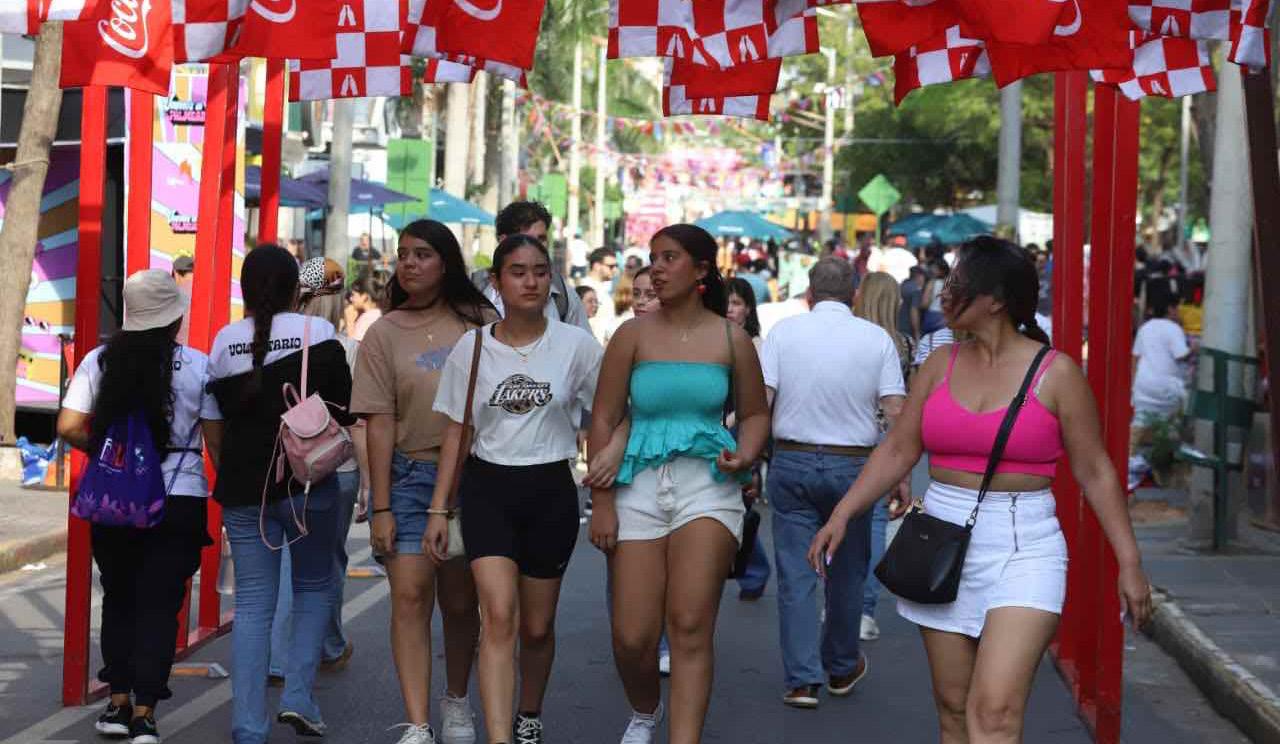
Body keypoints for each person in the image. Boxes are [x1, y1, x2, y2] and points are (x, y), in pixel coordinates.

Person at [809, 237, 1153, 742]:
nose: (943, 294)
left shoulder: (1056, 373)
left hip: (1025, 544)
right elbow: (899, 449)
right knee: (953, 709)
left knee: (994, 714)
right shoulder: (939, 363)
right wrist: (843, 513)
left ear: (995, 299)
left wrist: (1130, 562)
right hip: (939, 538)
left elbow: (1095, 471)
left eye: (956, 284)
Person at [587, 224, 770, 743]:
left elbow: (756, 414)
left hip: (707, 486)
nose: (657, 268)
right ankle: (645, 710)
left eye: (669, 258)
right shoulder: (632, 335)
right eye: (654, 258)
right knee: (632, 637)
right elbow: (603, 418)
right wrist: (602, 502)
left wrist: (747, 453)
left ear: (702, 270)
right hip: (636, 485)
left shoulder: (731, 339)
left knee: (690, 625)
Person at [427, 234, 603, 744]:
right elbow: (457, 431)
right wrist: (439, 509)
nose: (530, 281)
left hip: (551, 489)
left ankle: (529, 712)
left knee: (537, 627)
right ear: (497, 281)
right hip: (488, 487)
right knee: (499, 615)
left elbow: (609, 415)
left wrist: (607, 471)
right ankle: (501, 736)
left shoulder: (577, 347)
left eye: (540, 272)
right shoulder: (473, 347)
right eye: (518, 272)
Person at [57, 270, 220, 744]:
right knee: (161, 604)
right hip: (179, 496)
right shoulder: (198, 366)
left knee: (120, 596)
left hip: (117, 500)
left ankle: (117, 703)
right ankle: (146, 714)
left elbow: (68, 426)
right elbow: (215, 442)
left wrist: (112, 454)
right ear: (174, 319)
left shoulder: (99, 360)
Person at [352, 220, 497, 744]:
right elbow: (379, 422)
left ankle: (456, 698)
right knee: (411, 597)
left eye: (422, 254)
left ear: (446, 262)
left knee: (459, 602)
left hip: (474, 478)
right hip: (409, 476)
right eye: (403, 254)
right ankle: (417, 724)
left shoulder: (481, 322)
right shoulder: (383, 332)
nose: (409, 263)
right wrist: (380, 506)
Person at [205, 246, 355, 743]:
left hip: (244, 490)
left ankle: (248, 726)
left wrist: (233, 472)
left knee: (252, 606)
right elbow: (345, 408)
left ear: (244, 290)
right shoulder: (320, 333)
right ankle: (298, 698)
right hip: (308, 485)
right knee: (313, 587)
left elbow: (213, 427)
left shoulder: (225, 341)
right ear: (296, 289)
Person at [759, 259, 907, 709]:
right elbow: (896, 411)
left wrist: (749, 459)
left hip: (792, 460)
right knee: (847, 571)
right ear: (854, 295)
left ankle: (802, 680)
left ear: (809, 293)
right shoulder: (876, 339)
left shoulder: (783, 333)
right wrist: (898, 475)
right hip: (854, 468)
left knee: (796, 573)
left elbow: (763, 400)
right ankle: (841, 664)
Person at [267, 257, 365, 686]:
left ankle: (281, 653)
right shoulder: (348, 348)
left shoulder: (275, 341)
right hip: (337, 464)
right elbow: (359, 418)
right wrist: (371, 482)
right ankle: (326, 645)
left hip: (284, 463)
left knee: (288, 559)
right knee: (328, 560)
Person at [852, 272, 917, 642]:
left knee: (838, 518)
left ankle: (838, 602)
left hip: (848, 435)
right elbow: (908, 402)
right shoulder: (905, 344)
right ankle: (864, 610)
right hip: (887, 439)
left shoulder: (850, 339)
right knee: (876, 522)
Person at [475, 201, 591, 331]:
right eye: (527, 239)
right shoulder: (476, 289)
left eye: (542, 238)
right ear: (503, 241)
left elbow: (584, 340)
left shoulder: (563, 295)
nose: (536, 245)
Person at [726, 278, 771, 601]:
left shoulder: (757, 346)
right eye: (726, 303)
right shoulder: (711, 339)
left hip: (740, 432)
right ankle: (753, 571)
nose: (730, 310)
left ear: (749, 309)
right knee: (730, 504)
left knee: (738, 504)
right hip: (714, 431)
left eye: (737, 303)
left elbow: (760, 403)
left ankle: (754, 571)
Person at [1130, 286, 1190, 453]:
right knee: (1170, 426)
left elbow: (1135, 357)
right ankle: (1165, 457)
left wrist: (1133, 386)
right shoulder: (1174, 328)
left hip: (1143, 386)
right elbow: (1181, 355)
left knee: (1140, 423)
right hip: (1167, 388)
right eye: (1177, 307)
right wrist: (1194, 349)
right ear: (1170, 309)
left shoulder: (1145, 328)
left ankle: (1130, 457)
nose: (1179, 311)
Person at [581, 247, 620, 328]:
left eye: (616, 266)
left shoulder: (602, 287)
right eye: (611, 266)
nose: (615, 270)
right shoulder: (585, 288)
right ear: (597, 266)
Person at [345, 273, 384, 342]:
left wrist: (349, 322)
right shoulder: (376, 314)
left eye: (353, 295)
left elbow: (354, 345)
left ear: (364, 297)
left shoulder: (368, 318)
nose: (351, 299)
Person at [920, 257, 950, 335]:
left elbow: (925, 303)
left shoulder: (931, 283)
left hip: (931, 315)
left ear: (940, 270)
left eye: (934, 268)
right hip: (945, 316)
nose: (932, 270)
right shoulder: (950, 284)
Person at [899, 265, 926, 340]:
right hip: (908, 328)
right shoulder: (916, 290)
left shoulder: (902, 286)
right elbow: (914, 311)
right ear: (919, 276)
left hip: (897, 324)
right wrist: (917, 332)